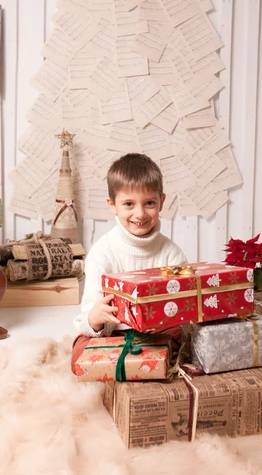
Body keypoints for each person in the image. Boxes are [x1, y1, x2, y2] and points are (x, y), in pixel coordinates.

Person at [72, 153, 187, 367]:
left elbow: (182, 310)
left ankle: (143, 363)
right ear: (112, 204)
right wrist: (96, 318)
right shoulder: (102, 253)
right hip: (114, 334)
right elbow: (89, 316)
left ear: (162, 202)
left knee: (183, 336)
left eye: (149, 203)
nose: (140, 214)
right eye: (129, 204)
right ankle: (145, 364)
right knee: (80, 349)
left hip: (156, 335)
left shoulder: (172, 254)